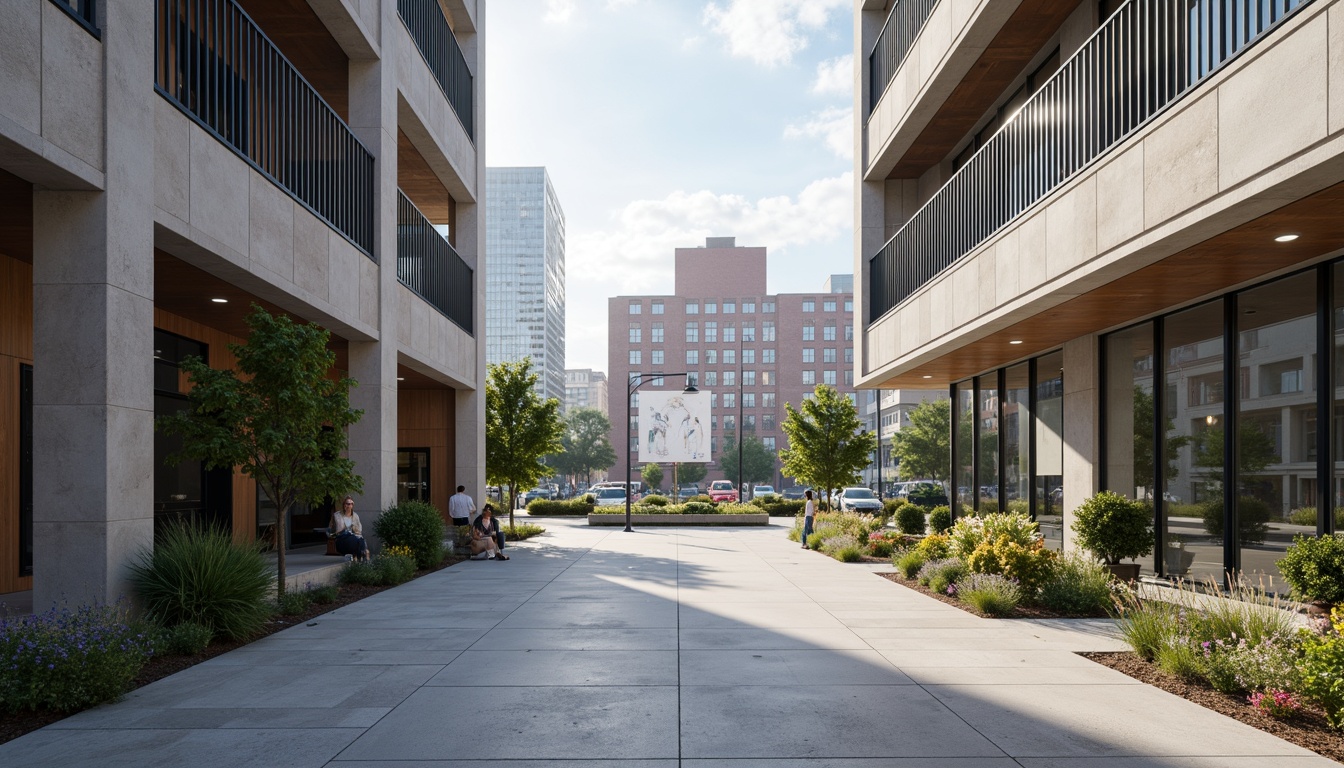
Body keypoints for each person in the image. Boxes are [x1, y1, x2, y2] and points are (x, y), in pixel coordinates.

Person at [330, 496, 370, 561]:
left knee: (360, 540)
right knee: (355, 539)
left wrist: (354, 530)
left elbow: (359, 531)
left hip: (354, 539)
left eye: (351, 504)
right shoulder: (337, 515)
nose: (349, 506)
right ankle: (363, 555)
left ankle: (360, 556)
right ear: (343, 505)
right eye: (347, 504)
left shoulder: (355, 516)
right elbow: (332, 530)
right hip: (342, 539)